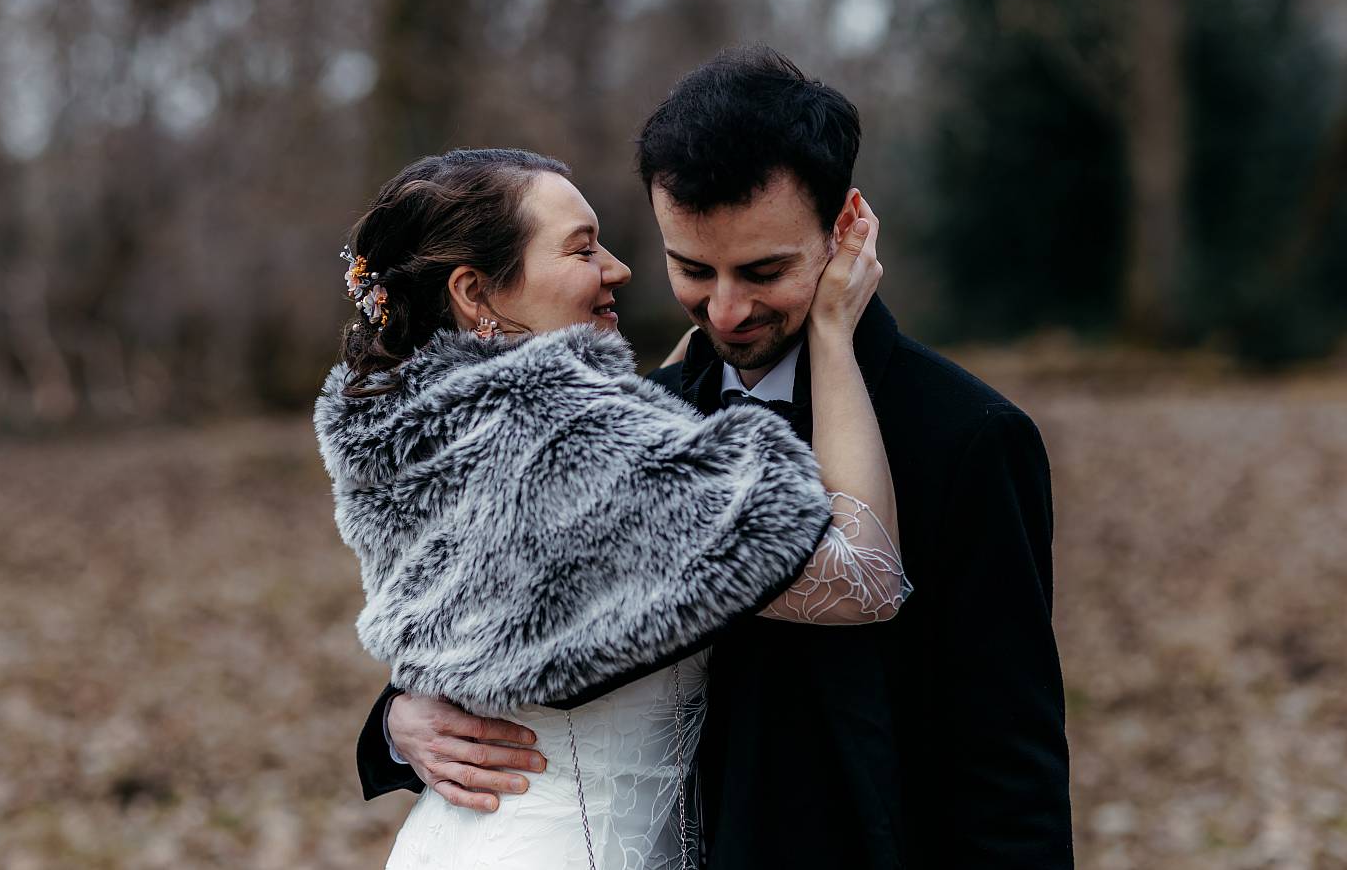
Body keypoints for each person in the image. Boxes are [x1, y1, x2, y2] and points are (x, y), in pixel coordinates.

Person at [363, 48, 1074, 869]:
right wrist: (399, 720)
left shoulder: (966, 437)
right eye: (692, 268)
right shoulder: (638, 413)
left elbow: (1008, 763)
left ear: (844, 229)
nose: (726, 310)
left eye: (763, 271)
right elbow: (501, 619)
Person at [315, 145, 912, 869]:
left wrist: (398, 716)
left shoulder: (418, 432)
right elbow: (867, 579)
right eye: (582, 249)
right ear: (476, 293)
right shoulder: (575, 446)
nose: (619, 268)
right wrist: (832, 336)